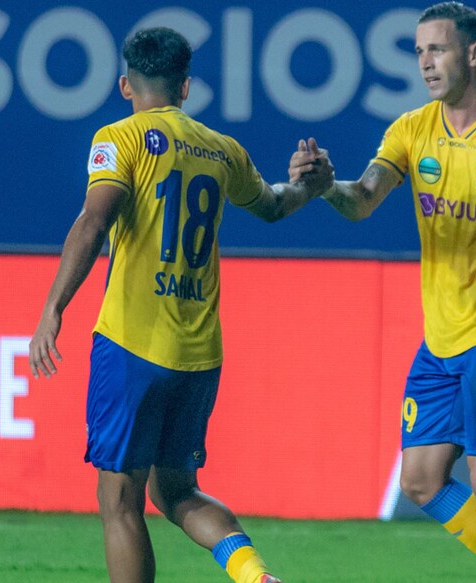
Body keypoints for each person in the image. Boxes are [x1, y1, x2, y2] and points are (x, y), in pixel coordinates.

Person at [289, 3, 476, 582]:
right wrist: (325, 186)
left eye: (437, 49)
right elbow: (363, 199)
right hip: (441, 340)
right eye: (419, 51)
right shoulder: (412, 129)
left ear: (474, 54)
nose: (425, 63)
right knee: (419, 480)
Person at [29, 27, 328, 583]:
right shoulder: (221, 149)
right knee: (176, 490)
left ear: (125, 84)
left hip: (132, 343)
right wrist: (308, 189)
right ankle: (256, 576)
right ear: (185, 86)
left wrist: (53, 307)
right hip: (198, 351)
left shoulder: (120, 138)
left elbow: (94, 220)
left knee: (119, 499)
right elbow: (271, 205)